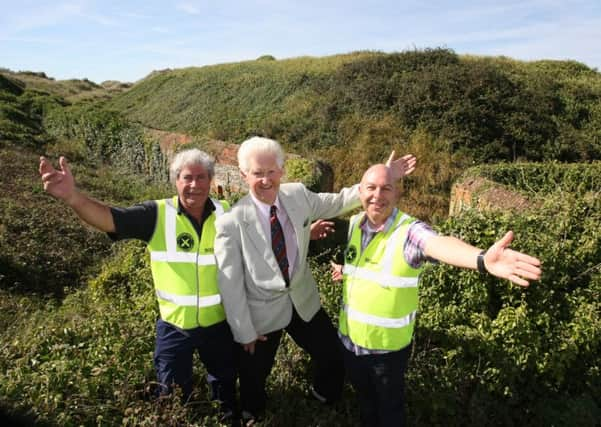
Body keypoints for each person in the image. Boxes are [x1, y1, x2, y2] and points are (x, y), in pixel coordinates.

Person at [213, 136, 416, 425]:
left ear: (282, 171)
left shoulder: (296, 196)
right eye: (258, 173)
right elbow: (229, 282)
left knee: (333, 356)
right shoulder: (231, 222)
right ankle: (252, 411)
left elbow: (338, 201)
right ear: (245, 175)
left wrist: (382, 176)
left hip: (302, 299)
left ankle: (323, 396)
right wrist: (243, 329)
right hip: (261, 313)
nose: (266, 180)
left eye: (272, 171)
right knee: (254, 373)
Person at [331, 163, 543, 427]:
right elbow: (368, 267)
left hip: (385, 353)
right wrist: (347, 271)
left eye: (386, 188)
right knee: (365, 405)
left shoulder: (408, 232)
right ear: (360, 192)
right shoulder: (354, 225)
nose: (378, 195)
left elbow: (438, 244)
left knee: (389, 412)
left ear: (396, 193)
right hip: (350, 344)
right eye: (371, 188)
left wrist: (480, 259)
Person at [39, 149, 238, 422]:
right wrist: (73, 197)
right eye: (187, 177)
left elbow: (257, 243)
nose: (195, 185)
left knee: (225, 385)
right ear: (175, 180)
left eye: (201, 177)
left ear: (211, 180)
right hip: (174, 325)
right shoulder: (157, 214)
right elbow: (110, 219)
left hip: (218, 324)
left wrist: (303, 232)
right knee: (172, 393)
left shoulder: (227, 213)